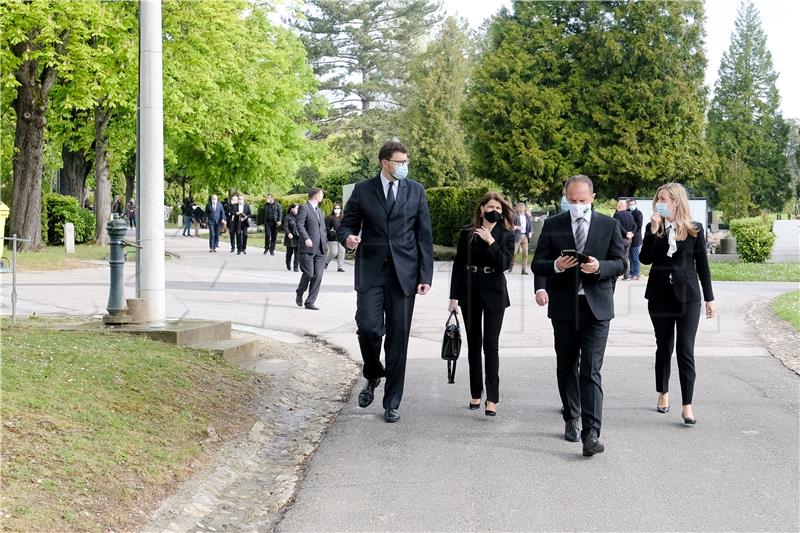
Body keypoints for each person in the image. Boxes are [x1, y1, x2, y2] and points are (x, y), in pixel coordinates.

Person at [338, 140, 433, 424]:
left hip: (405, 274)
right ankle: (372, 373)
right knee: (368, 328)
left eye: (406, 161)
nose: (404, 166)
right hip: (371, 270)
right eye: (399, 162)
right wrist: (348, 238)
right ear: (384, 163)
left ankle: (392, 402)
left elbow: (423, 236)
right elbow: (345, 224)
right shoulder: (363, 190)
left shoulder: (416, 190)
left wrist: (425, 275)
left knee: (398, 339)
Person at [532, 174, 626, 457]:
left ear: (592, 198)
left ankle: (591, 432)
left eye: (582, 201)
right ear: (565, 198)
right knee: (567, 364)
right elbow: (539, 263)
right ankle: (571, 417)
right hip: (564, 307)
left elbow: (620, 263)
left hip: (597, 308)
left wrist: (599, 267)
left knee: (591, 370)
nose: (576, 205)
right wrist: (557, 266)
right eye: (571, 201)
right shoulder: (552, 225)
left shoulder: (610, 225)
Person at [639, 182, 715, 425]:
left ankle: (687, 405)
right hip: (660, 296)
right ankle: (663, 392)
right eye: (657, 199)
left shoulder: (694, 229)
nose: (659, 203)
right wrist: (652, 230)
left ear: (676, 202)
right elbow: (645, 259)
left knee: (685, 348)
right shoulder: (654, 228)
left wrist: (709, 298)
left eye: (664, 199)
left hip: (688, 297)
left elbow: (702, 265)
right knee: (664, 346)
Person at [448, 192, 515, 416]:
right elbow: (458, 265)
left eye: (498, 207)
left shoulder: (506, 235)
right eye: (490, 207)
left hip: (495, 292)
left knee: (491, 345)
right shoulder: (467, 233)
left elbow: (504, 264)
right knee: (474, 345)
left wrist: (491, 242)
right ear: (481, 209)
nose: (494, 210)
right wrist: (453, 297)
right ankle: (476, 393)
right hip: (470, 291)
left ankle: (492, 398)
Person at [295, 188, 328, 310]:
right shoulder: (304, 208)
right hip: (308, 247)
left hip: (321, 248)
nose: (322, 197)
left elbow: (322, 228)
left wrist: (325, 241)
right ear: (316, 196)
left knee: (318, 276)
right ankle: (300, 292)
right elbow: (300, 225)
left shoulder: (319, 210)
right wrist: (306, 238)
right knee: (309, 273)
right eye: (321, 195)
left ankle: (310, 301)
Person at [613, 199, 637, 280]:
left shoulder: (617, 215)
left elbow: (618, 225)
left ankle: (615, 275)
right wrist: (631, 233)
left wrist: (625, 233)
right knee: (626, 257)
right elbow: (635, 226)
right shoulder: (630, 215)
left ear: (618, 206)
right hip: (629, 240)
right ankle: (626, 276)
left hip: (620, 239)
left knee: (617, 256)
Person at [510, 202, 533, 275]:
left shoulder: (527, 216)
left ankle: (523, 270)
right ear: (517, 208)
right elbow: (511, 226)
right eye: (519, 207)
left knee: (526, 253)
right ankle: (511, 265)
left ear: (525, 208)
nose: (521, 209)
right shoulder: (514, 216)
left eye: (522, 207)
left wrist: (531, 232)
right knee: (514, 253)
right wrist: (517, 227)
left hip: (525, 236)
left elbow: (531, 225)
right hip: (517, 236)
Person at [325, 203, 346, 272]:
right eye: (335, 208)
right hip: (332, 238)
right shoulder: (329, 217)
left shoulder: (343, 218)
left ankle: (340, 267)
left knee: (342, 251)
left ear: (340, 210)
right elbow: (326, 226)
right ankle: (326, 262)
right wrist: (330, 230)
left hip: (341, 237)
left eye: (338, 208)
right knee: (334, 252)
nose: (336, 210)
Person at [627, 198, 643, 280]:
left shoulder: (638, 213)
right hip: (629, 239)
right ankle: (631, 272)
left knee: (635, 258)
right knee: (630, 258)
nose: (631, 206)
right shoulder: (628, 211)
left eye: (633, 204)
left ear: (635, 204)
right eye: (630, 204)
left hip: (636, 239)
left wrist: (632, 232)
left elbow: (639, 226)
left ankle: (636, 274)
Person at [284, 203, 300, 272]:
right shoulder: (288, 217)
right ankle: (288, 264)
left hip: (298, 237)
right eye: (296, 208)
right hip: (290, 237)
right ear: (292, 209)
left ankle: (296, 267)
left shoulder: (300, 217)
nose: (297, 210)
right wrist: (288, 233)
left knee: (297, 253)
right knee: (289, 253)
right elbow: (285, 227)